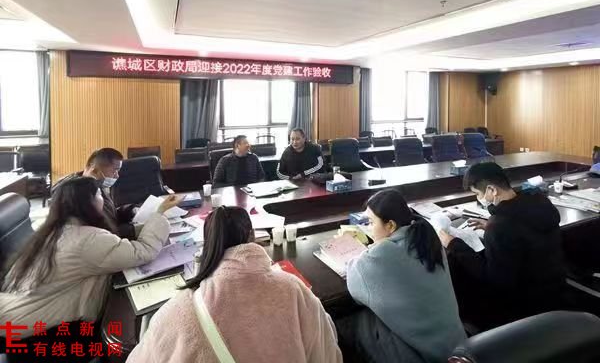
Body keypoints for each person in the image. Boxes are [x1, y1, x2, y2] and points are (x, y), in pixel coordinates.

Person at [127, 205, 343, 363]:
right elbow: (329, 355)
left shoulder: (174, 313)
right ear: (252, 236)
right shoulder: (293, 289)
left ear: (208, 243)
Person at [0, 177, 180, 347]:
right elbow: (143, 252)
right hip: (38, 333)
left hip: (15, 316)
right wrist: (159, 213)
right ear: (88, 203)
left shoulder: (53, 231)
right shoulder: (86, 239)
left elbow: (113, 244)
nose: (104, 200)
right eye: (100, 195)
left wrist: (149, 224)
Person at [338, 189, 465, 363]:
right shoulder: (426, 238)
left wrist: (370, 249)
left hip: (425, 356)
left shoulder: (381, 255)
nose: (368, 228)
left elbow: (355, 285)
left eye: (370, 222)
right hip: (455, 346)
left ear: (390, 225)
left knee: (346, 322)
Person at [439, 162, 566, 329]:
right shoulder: (540, 202)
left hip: (524, 307)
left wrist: (454, 243)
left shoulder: (500, 226)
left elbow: (494, 279)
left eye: (477, 193)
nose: (478, 198)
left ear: (492, 190)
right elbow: (523, 230)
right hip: (554, 290)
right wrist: (490, 225)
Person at [52, 147, 135, 238]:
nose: (117, 176)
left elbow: (110, 215)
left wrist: (129, 210)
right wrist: (132, 229)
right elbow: (96, 230)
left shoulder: (99, 184)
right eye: (115, 170)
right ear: (95, 169)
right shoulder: (72, 192)